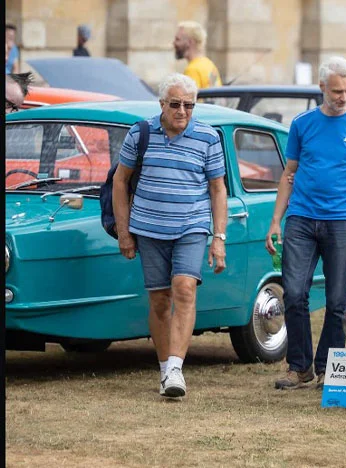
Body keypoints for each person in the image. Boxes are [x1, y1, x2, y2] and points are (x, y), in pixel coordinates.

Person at [111, 73, 227, 398]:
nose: (182, 111)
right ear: (161, 104)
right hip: (148, 228)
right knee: (160, 300)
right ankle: (165, 370)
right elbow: (120, 182)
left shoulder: (208, 137)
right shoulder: (141, 132)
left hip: (192, 225)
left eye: (189, 105)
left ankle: (176, 368)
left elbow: (218, 189)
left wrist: (219, 237)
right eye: (175, 104)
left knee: (185, 288)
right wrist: (124, 233)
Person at [267, 57, 346, 390]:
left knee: (337, 300)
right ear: (321, 88)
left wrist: (339, 190)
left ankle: (329, 368)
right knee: (295, 293)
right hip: (301, 218)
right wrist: (276, 221)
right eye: (337, 91)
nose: (344, 97)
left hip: (342, 221)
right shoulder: (302, 124)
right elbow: (289, 173)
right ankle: (299, 368)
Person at [173, 21, 222, 89]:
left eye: (177, 39)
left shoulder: (192, 70)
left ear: (189, 42)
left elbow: (189, 98)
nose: (174, 43)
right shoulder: (209, 64)